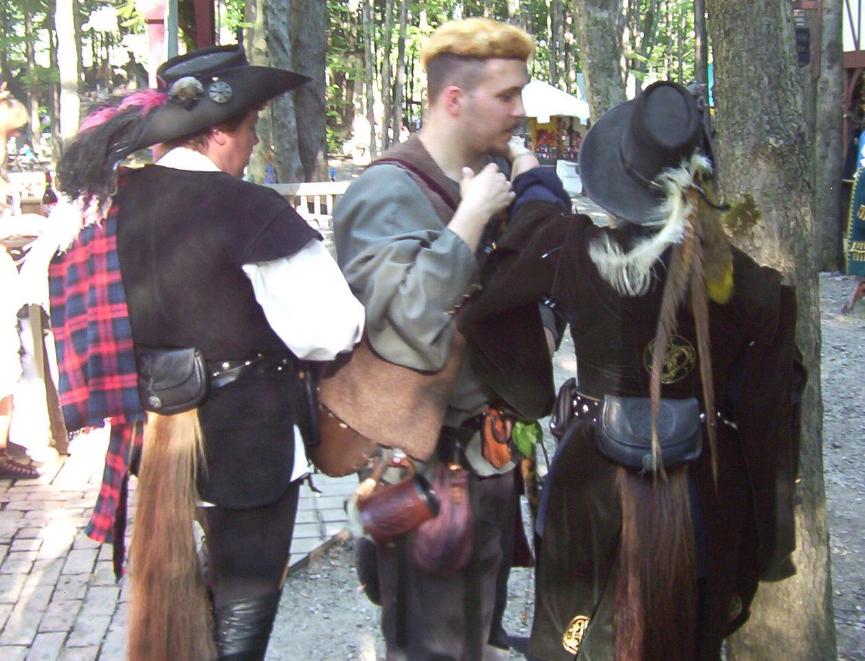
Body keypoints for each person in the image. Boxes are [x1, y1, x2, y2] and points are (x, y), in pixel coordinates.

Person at [43, 45, 364, 660]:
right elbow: (331, 329)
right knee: (245, 590)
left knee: (191, 584)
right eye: (250, 128)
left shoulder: (111, 204)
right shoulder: (250, 209)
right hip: (247, 441)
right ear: (218, 131)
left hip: (154, 437)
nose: (253, 143)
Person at [460, 81, 801, 660]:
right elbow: (772, 392)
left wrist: (527, 393)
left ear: (620, 175)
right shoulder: (743, 283)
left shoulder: (571, 251)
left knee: (579, 639)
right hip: (704, 492)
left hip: (591, 491)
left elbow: (497, 286)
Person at [332, 17, 540, 660]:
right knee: (431, 646)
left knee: (478, 631)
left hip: (490, 458)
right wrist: (469, 220)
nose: (520, 110)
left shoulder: (491, 178)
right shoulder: (383, 192)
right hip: (424, 471)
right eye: (506, 95)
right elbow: (408, 326)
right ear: (454, 98)